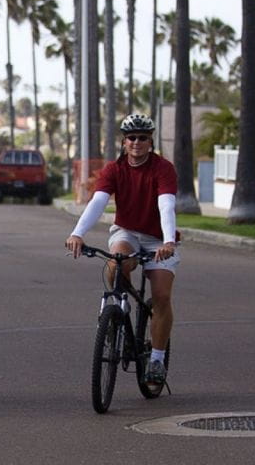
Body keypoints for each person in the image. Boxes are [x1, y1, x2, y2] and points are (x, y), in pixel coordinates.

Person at [65, 114, 178, 384]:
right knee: (116, 263)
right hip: (127, 231)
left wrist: (168, 240)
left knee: (161, 295)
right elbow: (97, 202)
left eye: (142, 137)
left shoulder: (163, 168)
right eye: (131, 137)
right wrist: (77, 233)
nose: (136, 142)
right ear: (123, 141)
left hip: (158, 237)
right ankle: (122, 314)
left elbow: (166, 205)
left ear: (150, 141)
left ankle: (157, 361)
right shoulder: (113, 169)